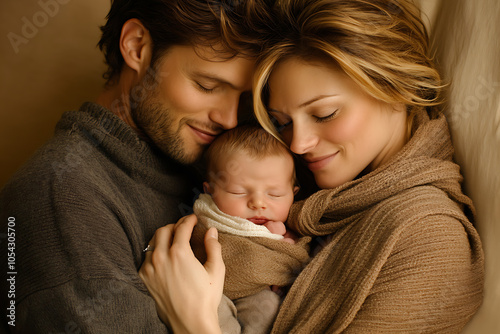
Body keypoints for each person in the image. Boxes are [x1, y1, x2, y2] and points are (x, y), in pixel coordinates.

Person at [139, 0, 485, 333]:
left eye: (324, 114)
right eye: (282, 122)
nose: (297, 144)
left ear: (395, 87)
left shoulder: (430, 237)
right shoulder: (310, 183)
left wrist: (192, 322)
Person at [0, 0, 275, 332]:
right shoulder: (57, 201)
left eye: (243, 98)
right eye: (208, 85)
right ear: (136, 47)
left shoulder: (214, 160)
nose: (228, 118)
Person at [191, 125, 310, 334]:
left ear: (294, 194)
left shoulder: (289, 232)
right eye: (237, 192)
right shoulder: (204, 219)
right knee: (208, 309)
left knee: (269, 306)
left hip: (257, 296)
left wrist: (281, 257)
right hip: (212, 292)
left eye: (274, 194)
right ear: (210, 191)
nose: (258, 203)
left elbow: (295, 259)